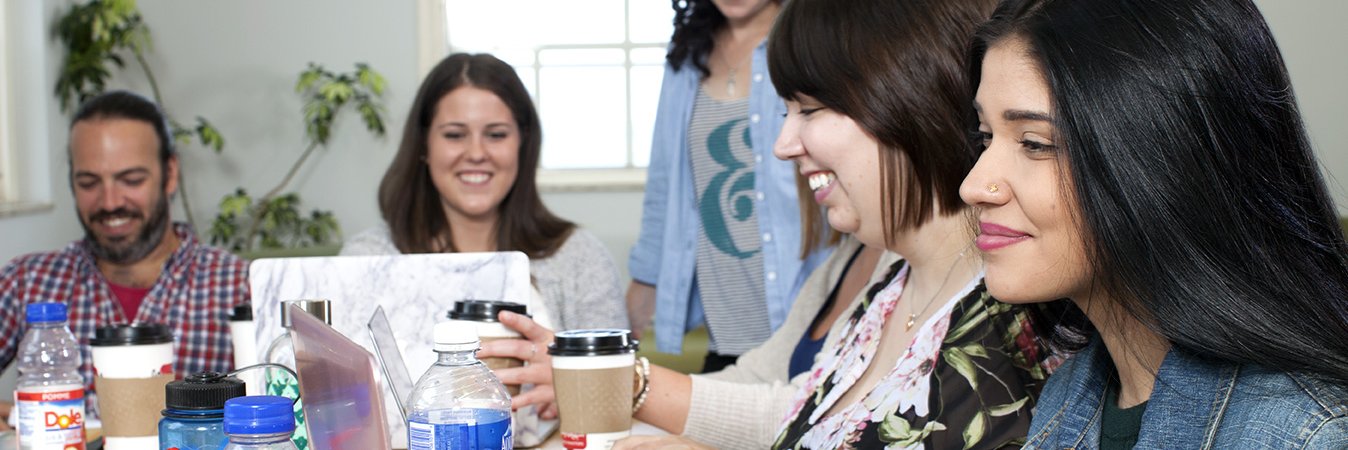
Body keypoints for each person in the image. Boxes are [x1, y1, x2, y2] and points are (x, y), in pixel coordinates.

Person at [487, 0, 1059, 448]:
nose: (783, 144)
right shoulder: (885, 287)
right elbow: (793, 410)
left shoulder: (1018, 306)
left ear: (907, 100)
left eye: (808, 111)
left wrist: (620, 381)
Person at [960, 0, 1348, 447]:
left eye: (1034, 143)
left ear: (1167, 162)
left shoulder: (1303, 434)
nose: (974, 185)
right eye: (986, 137)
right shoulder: (1069, 395)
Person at [0, 91, 250, 419]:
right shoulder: (26, 283)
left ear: (170, 174)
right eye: (89, 182)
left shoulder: (238, 286)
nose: (110, 202)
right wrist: (17, 417)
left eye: (131, 180)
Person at [341, 53, 626, 331]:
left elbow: (615, 377)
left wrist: (561, 369)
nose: (476, 153)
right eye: (454, 135)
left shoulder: (579, 257)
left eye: (496, 134)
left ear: (523, 143)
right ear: (424, 146)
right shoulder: (366, 260)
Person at [629, 0, 830, 371]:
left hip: (807, 294)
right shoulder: (687, 56)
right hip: (722, 317)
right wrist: (646, 277)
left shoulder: (814, 41)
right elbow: (664, 178)